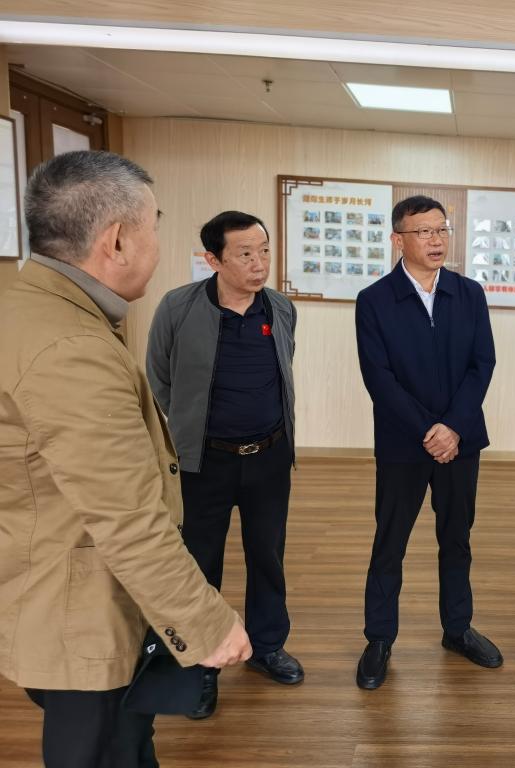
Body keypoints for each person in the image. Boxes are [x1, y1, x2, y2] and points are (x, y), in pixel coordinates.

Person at [0, 150, 251, 767]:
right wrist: (206, 621)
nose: (158, 245)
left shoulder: (26, 307)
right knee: (104, 748)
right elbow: (127, 518)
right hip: (78, 608)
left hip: (43, 579)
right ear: (115, 241)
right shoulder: (70, 348)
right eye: (154, 226)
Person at [147, 210, 302, 720]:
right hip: (204, 462)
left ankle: (267, 646)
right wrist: (189, 427)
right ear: (213, 260)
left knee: (268, 554)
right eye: (245, 254)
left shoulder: (281, 308)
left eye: (264, 251)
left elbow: (283, 369)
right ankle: (200, 665)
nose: (259, 263)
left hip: (269, 457)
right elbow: (159, 377)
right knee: (199, 562)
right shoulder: (178, 307)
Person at [354, 195, 501, 689]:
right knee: (389, 542)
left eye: (441, 230)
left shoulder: (469, 293)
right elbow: (379, 378)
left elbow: (483, 363)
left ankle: (457, 629)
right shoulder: (375, 299)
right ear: (398, 240)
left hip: (461, 442)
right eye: (424, 232)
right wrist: (427, 430)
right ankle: (379, 639)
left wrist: (453, 427)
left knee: (456, 538)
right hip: (403, 444)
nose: (436, 240)